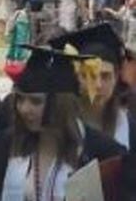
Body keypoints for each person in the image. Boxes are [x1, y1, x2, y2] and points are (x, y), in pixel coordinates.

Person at [0, 46, 136, 201]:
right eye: (20, 99)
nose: (24, 109)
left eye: (36, 101)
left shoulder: (105, 154)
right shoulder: (3, 147)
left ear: (61, 104)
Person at [50, 24, 136, 152]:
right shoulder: (60, 125)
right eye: (90, 76)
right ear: (77, 77)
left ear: (116, 77)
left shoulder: (128, 127)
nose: (98, 85)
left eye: (106, 76)